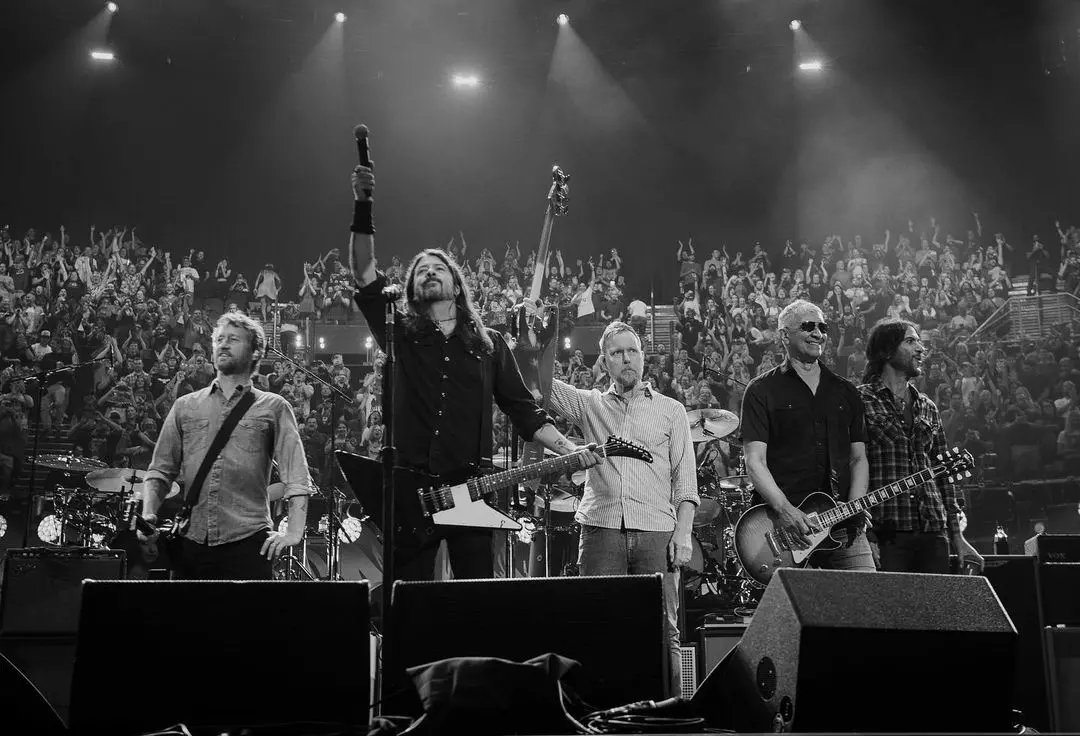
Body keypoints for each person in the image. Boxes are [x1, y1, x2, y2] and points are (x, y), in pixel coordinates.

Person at [347, 164, 600, 582]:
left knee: (473, 598)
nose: (429, 271)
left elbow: (525, 411)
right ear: (412, 289)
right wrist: (362, 203)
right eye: (421, 270)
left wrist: (571, 450)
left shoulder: (490, 344)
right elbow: (363, 272)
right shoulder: (400, 333)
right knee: (407, 600)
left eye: (438, 267)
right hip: (409, 493)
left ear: (457, 284)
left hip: (469, 489)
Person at [544, 319, 698, 697]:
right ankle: (603, 716)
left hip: (657, 532)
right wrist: (540, 336)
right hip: (602, 529)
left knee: (664, 631)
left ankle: (670, 716)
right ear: (604, 362)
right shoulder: (589, 404)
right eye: (617, 353)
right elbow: (541, 384)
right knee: (598, 627)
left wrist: (683, 534)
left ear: (643, 357)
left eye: (632, 351)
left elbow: (685, 482)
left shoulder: (671, 410)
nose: (627, 359)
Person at [141, 312, 312, 580]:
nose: (223, 344)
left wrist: (294, 532)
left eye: (233, 339)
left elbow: (297, 477)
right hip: (191, 542)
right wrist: (149, 513)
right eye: (219, 339)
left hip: (249, 541)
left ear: (256, 352)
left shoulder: (274, 407)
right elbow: (160, 471)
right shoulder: (185, 406)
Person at [740, 299, 874, 570]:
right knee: (790, 600)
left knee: (865, 595)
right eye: (808, 326)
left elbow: (858, 458)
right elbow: (755, 461)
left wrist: (856, 504)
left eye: (822, 327)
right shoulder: (761, 390)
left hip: (842, 525)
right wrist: (785, 510)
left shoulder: (846, 392)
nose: (818, 333)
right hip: (783, 527)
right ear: (784, 335)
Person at [858, 319, 983, 573]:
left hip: (933, 528)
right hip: (886, 531)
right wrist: (864, 534)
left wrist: (957, 535)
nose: (920, 348)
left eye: (919, 342)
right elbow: (851, 467)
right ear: (887, 351)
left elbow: (944, 474)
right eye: (910, 341)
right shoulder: (860, 400)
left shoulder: (928, 406)